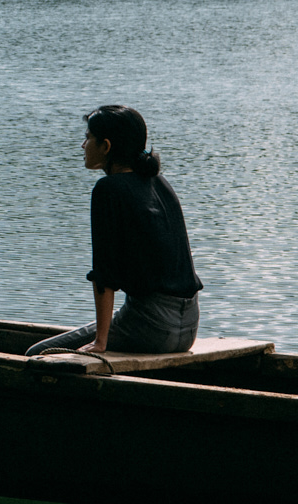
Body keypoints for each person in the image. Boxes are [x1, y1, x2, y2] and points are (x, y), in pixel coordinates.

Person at [28, 105, 202, 356]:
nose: (82, 145)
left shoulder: (108, 189)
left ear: (106, 146)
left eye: (88, 138)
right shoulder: (160, 183)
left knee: (38, 353)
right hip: (188, 330)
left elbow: (104, 275)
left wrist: (100, 341)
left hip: (152, 327)